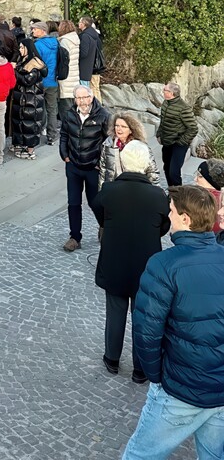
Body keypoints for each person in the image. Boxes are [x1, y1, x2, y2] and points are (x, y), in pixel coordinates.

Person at [122, 185, 224, 459]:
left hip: (181, 387)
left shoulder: (163, 265)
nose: (167, 216)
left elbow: (146, 332)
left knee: (140, 455)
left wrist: (157, 377)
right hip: (220, 390)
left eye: (171, 211)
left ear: (185, 219)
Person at [90, 141, 170, 383]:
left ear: (123, 162)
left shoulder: (110, 190)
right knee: (142, 317)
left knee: (115, 312)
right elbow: (164, 227)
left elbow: (99, 214)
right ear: (146, 165)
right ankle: (140, 369)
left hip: (114, 260)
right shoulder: (158, 196)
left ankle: (112, 359)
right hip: (146, 265)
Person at [59, 84, 111, 252]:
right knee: (73, 203)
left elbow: (109, 141)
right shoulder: (69, 114)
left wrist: (99, 163)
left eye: (84, 97)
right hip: (73, 165)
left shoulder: (103, 116)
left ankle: (103, 225)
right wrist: (64, 155)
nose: (81, 101)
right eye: (78, 98)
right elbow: (64, 135)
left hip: (92, 168)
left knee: (94, 201)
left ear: (91, 97)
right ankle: (75, 237)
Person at [98, 113, 160, 190]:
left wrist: (153, 193)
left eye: (123, 126)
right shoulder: (107, 144)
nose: (119, 129)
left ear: (131, 130)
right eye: (117, 125)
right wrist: (101, 191)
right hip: (113, 189)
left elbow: (152, 172)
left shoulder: (140, 147)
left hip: (135, 189)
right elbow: (103, 170)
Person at [156, 81, 197, 186]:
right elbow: (163, 121)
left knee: (174, 172)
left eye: (165, 90)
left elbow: (193, 128)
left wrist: (181, 142)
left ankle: (178, 196)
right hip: (167, 142)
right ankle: (171, 191)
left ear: (171, 93)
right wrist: (159, 134)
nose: (163, 91)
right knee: (166, 168)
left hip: (179, 144)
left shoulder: (184, 108)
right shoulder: (165, 103)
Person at [10, 38, 45, 161]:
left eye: (21, 47)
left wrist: (14, 71)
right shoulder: (23, 60)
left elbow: (27, 80)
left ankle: (30, 150)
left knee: (31, 125)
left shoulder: (35, 63)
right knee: (21, 123)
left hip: (31, 100)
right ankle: (20, 145)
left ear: (27, 48)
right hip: (22, 98)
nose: (20, 50)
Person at [31, 21, 59, 145]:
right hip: (53, 80)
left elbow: (35, 63)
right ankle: (52, 135)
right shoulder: (55, 42)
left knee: (39, 108)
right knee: (52, 109)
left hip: (41, 80)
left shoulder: (37, 45)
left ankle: (38, 132)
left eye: (35, 29)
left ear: (42, 30)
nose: (33, 31)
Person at [57, 20, 81, 122]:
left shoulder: (65, 41)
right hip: (74, 75)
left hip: (66, 76)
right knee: (73, 104)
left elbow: (63, 60)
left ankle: (68, 127)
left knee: (65, 106)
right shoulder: (76, 40)